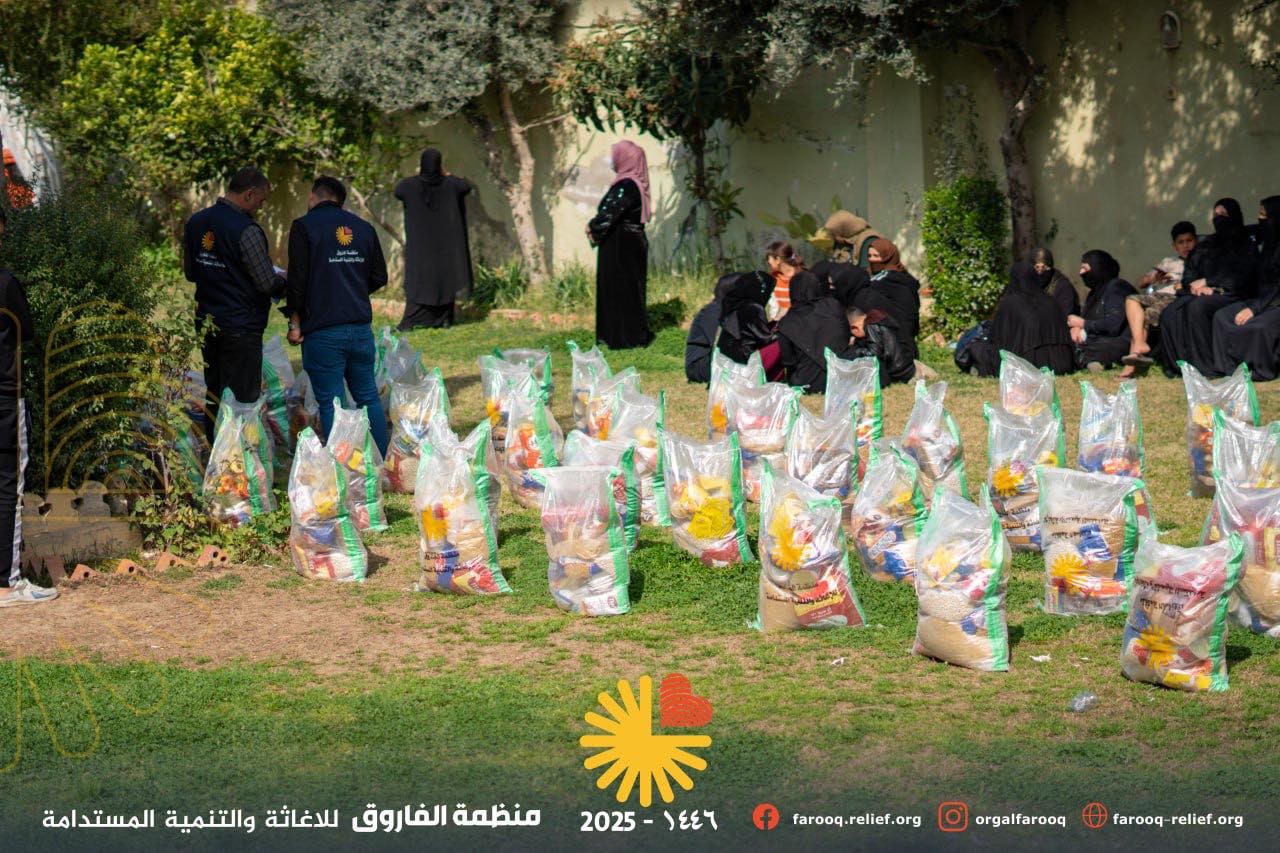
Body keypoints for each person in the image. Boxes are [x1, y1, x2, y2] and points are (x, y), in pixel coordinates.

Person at [284, 177, 390, 456]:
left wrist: (294, 323)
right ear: (340, 202)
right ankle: (380, 463)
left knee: (332, 403)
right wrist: (351, 291)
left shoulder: (303, 226)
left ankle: (343, 469)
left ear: (313, 196)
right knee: (368, 397)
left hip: (323, 331)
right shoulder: (364, 228)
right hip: (360, 328)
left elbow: (296, 282)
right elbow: (379, 276)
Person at [183, 166, 285, 442]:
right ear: (249, 194)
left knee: (215, 392)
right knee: (242, 398)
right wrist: (284, 281)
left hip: (208, 322)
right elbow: (266, 283)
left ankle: (215, 451)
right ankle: (238, 458)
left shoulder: (196, 222)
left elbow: (190, 272)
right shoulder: (246, 229)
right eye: (261, 201)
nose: (261, 207)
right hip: (241, 325)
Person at [0, 207, 55, 606]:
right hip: (4, 398)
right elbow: (27, 331)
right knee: (7, 488)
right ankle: (6, 582)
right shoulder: (5, 283)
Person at [1158, 198, 1259, 376]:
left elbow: (1244, 276)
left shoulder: (1246, 244)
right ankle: (1180, 367)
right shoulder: (1208, 244)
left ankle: (1205, 367)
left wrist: (1210, 282)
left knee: (1197, 307)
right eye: (1216, 214)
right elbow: (1190, 271)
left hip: (1235, 293)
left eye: (1223, 214)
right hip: (1203, 293)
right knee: (1170, 312)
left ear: (1234, 215)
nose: (1219, 218)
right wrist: (1195, 285)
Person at [394, 149, 472, 330]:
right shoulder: (451, 184)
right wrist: (447, 174)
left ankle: (411, 320)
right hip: (445, 246)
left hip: (420, 247)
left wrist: (417, 175)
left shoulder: (409, 185)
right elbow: (466, 186)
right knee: (445, 279)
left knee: (418, 281)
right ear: (439, 165)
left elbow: (398, 191)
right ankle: (444, 319)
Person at [589, 141, 653, 349]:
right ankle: (620, 336)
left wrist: (593, 227)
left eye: (615, 154)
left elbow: (610, 213)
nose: (612, 158)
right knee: (624, 289)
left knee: (622, 290)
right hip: (626, 243)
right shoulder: (633, 183)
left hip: (622, 246)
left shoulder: (627, 184)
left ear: (625, 158)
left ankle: (623, 338)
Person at [1210, 195, 1280, 379]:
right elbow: (1239, 232)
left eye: (1263, 214)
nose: (1259, 218)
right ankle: (1228, 369)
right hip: (1260, 300)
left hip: (1275, 303)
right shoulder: (1266, 242)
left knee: (1258, 327)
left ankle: (1259, 371)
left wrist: (1254, 309)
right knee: (1222, 317)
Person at [1118, 221, 1198, 377]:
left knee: (1145, 315)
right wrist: (1155, 277)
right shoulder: (1169, 262)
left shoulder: (1199, 262)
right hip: (1156, 295)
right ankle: (1140, 344)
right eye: (1181, 242)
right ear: (1174, 246)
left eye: (1189, 241)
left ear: (1195, 241)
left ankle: (1130, 366)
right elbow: (1142, 283)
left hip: (1175, 298)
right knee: (1131, 299)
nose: (1186, 246)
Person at [968, 262, 1075, 377]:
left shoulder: (1009, 303)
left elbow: (997, 343)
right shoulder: (1051, 301)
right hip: (1063, 363)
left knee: (977, 348)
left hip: (1028, 366)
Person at [776, 268, 849, 393]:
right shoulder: (833, 306)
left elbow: (788, 361)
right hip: (842, 376)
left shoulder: (786, 323)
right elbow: (845, 336)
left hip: (808, 383)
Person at [1067, 250, 1136, 371]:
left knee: (1100, 347)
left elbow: (1113, 326)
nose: (1080, 272)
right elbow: (1089, 320)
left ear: (1097, 268)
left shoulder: (1117, 288)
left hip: (1120, 340)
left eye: (1085, 268)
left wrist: (1082, 324)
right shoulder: (1095, 293)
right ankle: (1088, 360)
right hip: (1098, 338)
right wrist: (1076, 329)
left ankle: (1090, 360)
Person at [716, 269, 780, 379]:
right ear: (760, 291)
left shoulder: (735, 302)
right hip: (742, 359)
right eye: (769, 293)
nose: (769, 297)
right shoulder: (753, 307)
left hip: (725, 358)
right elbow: (765, 339)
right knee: (782, 344)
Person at [866, 238, 921, 363]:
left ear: (888, 256)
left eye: (876, 256)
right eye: (869, 256)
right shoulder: (903, 275)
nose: (872, 259)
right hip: (906, 343)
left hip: (894, 343)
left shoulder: (887, 278)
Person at [843, 307, 915, 387]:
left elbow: (874, 353)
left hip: (897, 372)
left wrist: (855, 351)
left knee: (853, 355)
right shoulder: (878, 318)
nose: (853, 335)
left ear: (854, 327)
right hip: (907, 367)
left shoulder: (871, 325)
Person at [685, 273, 737, 383]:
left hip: (715, 360)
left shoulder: (729, 309)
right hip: (698, 366)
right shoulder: (713, 310)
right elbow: (721, 342)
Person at [810, 210, 882, 268]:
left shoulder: (868, 240)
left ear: (845, 228)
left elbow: (866, 270)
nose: (835, 238)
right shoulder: (842, 241)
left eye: (836, 233)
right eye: (833, 234)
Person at [1031, 247, 1080, 317]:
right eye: (1037, 267)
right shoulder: (1028, 283)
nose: (1040, 272)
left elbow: (1063, 317)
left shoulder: (1063, 287)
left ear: (1050, 267)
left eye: (1044, 267)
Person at [765, 241, 801, 321]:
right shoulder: (773, 277)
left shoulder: (800, 277)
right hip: (778, 321)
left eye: (768, 258)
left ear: (777, 260)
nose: (767, 262)